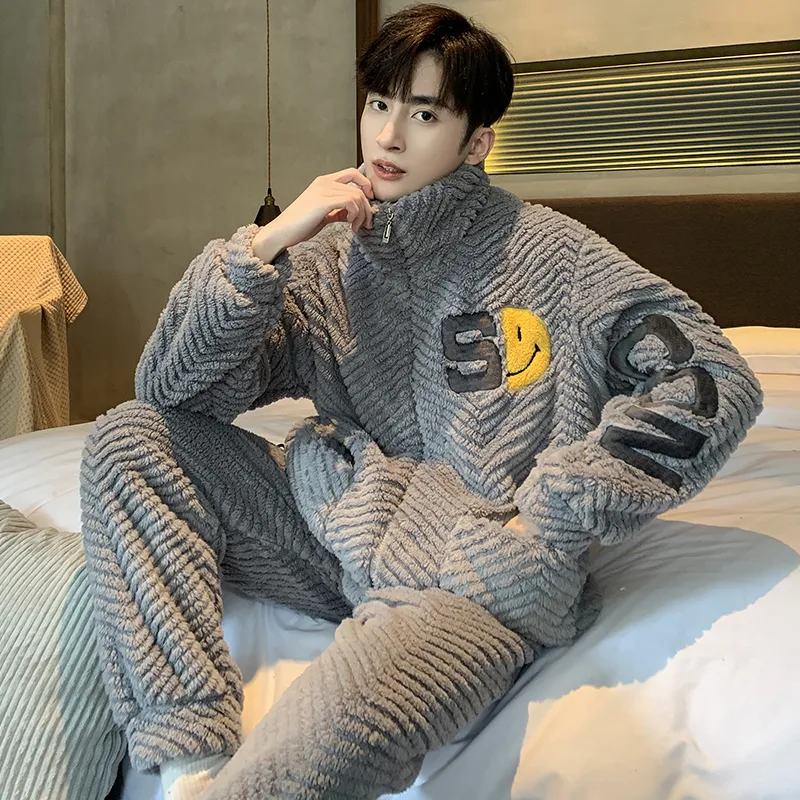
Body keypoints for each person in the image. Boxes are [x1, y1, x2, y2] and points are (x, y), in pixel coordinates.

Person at [80, 4, 762, 799]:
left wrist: (552, 513)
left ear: (477, 143)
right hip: (338, 533)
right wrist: (263, 248)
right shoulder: (329, 260)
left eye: (425, 114)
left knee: (296, 766)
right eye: (379, 103)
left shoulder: (556, 255)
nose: (389, 136)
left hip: (475, 574)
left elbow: (714, 379)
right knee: (130, 437)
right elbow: (172, 392)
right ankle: (188, 761)